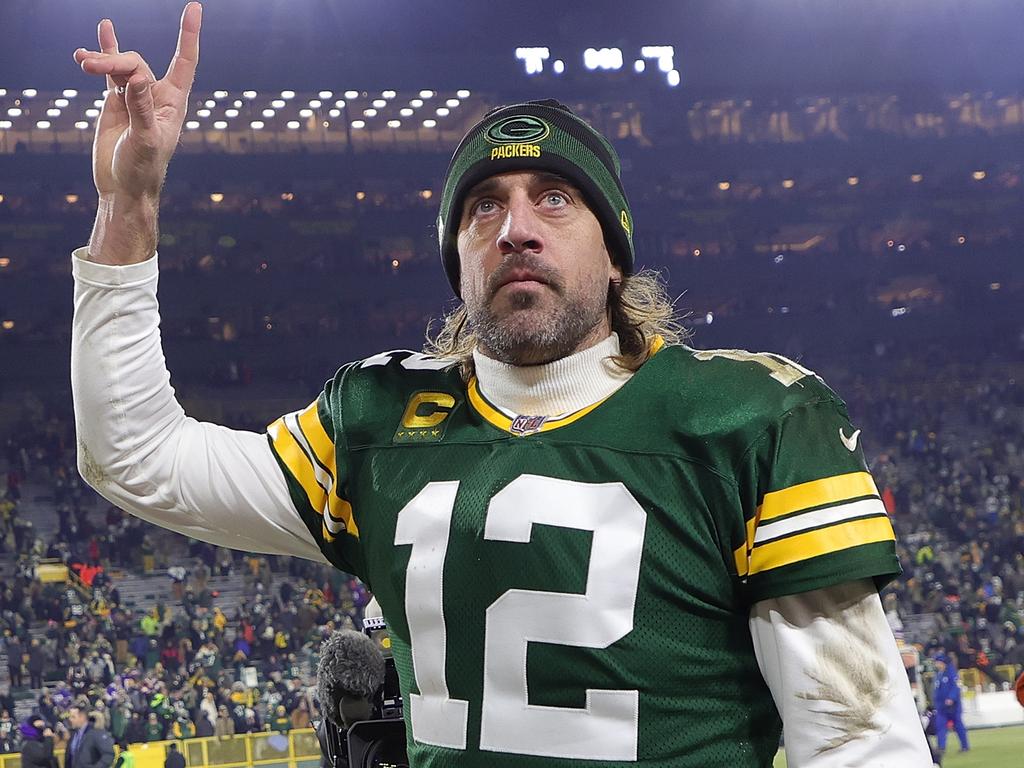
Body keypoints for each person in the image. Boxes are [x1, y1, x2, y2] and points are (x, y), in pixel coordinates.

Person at [70, 4, 933, 766]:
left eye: (555, 198)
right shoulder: (376, 419)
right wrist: (128, 206)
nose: (516, 228)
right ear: (457, 258)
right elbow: (134, 456)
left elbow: (858, 741)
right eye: (483, 206)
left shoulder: (753, 419)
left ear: (614, 248)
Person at [932, 654, 969, 755]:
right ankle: (941, 747)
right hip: (941, 706)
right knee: (940, 726)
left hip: (953, 706)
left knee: (958, 725)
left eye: (938, 662)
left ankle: (965, 746)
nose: (936, 664)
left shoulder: (952, 673)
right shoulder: (938, 674)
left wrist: (951, 698)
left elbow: (956, 687)